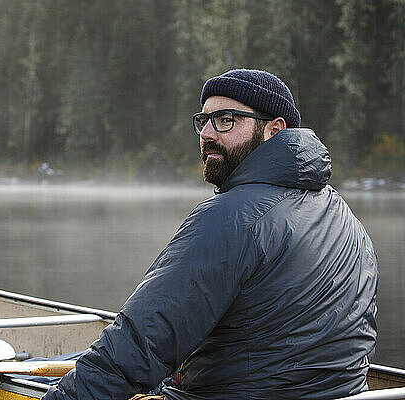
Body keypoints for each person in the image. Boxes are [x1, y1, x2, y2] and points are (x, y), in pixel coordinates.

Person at [42, 69, 378, 399]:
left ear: (275, 130)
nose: (208, 133)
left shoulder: (232, 218)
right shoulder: (348, 220)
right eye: (204, 120)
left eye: (226, 119)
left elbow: (138, 345)